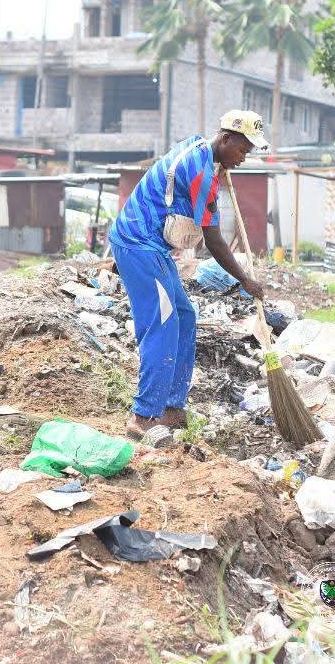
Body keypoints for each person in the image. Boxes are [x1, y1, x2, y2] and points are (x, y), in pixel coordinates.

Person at [109, 110, 268, 438]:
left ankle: (173, 409)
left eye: (248, 153)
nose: (242, 159)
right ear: (225, 139)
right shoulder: (200, 171)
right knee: (163, 323)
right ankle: (143, 416)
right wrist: (245, 279)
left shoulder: (203, 158)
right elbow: (213, 239)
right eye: (241, 150)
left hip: (153, 247)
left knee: (184, 315)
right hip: (138, 244)